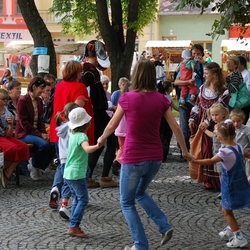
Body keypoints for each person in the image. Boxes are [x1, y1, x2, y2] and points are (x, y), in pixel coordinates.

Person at [97, 58, 193, 250]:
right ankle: (164, 225)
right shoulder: (161, 99)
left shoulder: (127, 98)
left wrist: (101, 139)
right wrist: (185, 151)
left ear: (136, 75)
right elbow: (176, 127)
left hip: (133, 157)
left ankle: (140, 245)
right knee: (139, 192)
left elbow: (112, 124)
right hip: (155, 157)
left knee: (126, 202)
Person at [191, 121, 250, 248]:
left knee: (226, 210)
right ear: (235, 135)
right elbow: (247, 154)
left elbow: (210, 161)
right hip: (240, 183)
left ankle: (239, 237)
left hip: (229, 186)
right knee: (228, 207)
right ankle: (231, 228)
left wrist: (194, 160)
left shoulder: (224, 152)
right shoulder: (239, 147)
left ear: (220, 138)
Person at [80, 40, 118, 188]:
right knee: (108, 141)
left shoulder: (88, 69)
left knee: (100, 144)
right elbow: (87, 95)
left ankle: (90, 176)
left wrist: (108, 105)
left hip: (97, 112)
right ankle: (103, 177)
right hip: (96, 114)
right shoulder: (90, 71)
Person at [188, 62, 230, 191]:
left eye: (207, 73)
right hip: (203, 123)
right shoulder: (202, 88)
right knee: (205, 150)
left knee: (217, 150)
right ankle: (208, 180)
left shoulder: (224, 90)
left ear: (215, 74)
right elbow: (197, 105)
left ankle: (219, 181)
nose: (205, 75)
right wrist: (192, 117)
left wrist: (208, 121)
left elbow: (219, 110)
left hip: (217, 124)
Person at [64, 107, 104, 238]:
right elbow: (87, 149)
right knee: (83, 199)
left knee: (77, 198)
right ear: (86, 123)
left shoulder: (73, 135)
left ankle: (73, 224)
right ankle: (74, 225)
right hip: (77, 173)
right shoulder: (82, 136)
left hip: (69, 173)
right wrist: (98, 146)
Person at [15, 77, 56, 180]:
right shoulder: (23, 101)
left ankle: (37, 166)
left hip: (35, 133)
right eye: (41, 88)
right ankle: (34, 164)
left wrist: (43, 133)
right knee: (44, 144)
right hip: (24, 134)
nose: (42, 91)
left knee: (53, 143)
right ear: (34, 87)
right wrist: (40, 134)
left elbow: (40, 121)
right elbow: (24, 124)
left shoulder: (39, 101)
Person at [49, 60, 94, 146]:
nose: (82, 74)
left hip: (58, 127)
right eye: (81, 72)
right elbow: (75, 109)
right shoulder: (80, 87)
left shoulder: (59, 85)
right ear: (76, 73)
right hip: (72, 131)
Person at [49, 102, 79, 220]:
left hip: (62, 159)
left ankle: (55, 188)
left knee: (61, 175)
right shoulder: (73, 129)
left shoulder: (62, 128)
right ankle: (64, 205)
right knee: (68, 183)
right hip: (71, 160)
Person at [174, 44, 205, 152]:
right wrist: (187, 82)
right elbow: (176, 81)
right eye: (194, 54)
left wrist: (203, 64)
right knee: (184, 128)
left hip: (198, 101)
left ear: (202, 55)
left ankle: (196, 150)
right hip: (185, 101)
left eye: (198, 54)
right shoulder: (185, 65)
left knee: (197, 127)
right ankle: (185, 151)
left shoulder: (205, 66)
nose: (196, 56)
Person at [0, 88, 30, 188]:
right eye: (2, 99)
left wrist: (11, 124)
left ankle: (7, 171)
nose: (4, 101)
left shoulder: (8, 113)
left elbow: (8, 134)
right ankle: (4, 170)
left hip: (4, 137)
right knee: (12, 148)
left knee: (23, 147)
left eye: (4, 99)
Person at [203, 103, 229, 175]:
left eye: (216, 115)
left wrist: (205, 130)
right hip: (216, 150)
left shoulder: (223, 125)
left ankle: (224, 186)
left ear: (223, 114)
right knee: (220, 172)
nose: (214, 117)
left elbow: (216, 136)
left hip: (222, 151)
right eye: (212, 115)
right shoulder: (216, 125)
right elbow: (213, 135)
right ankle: (221, 186)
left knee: (223, 172)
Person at [160, 81, 179, 162]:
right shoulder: (168, 98)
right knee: (167, 136)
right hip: (167, 119)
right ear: (169, 88)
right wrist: (181, 109)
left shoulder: (161, 96)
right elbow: (174, 107)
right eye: (171, 86)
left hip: (161, 119)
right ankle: (164, 154)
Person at [229, 109, 250, 177]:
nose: (236, 124)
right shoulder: (229, 129)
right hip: (233, 155)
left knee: (246, 173)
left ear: (242, 120)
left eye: (238, 121)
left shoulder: (247, 130)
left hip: (245, 156)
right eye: (233, 121)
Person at [237, 55, 250, 124]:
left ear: (242, 65)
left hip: (244, 101)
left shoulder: (247, 74)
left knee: (242, 120)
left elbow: (248, 88)